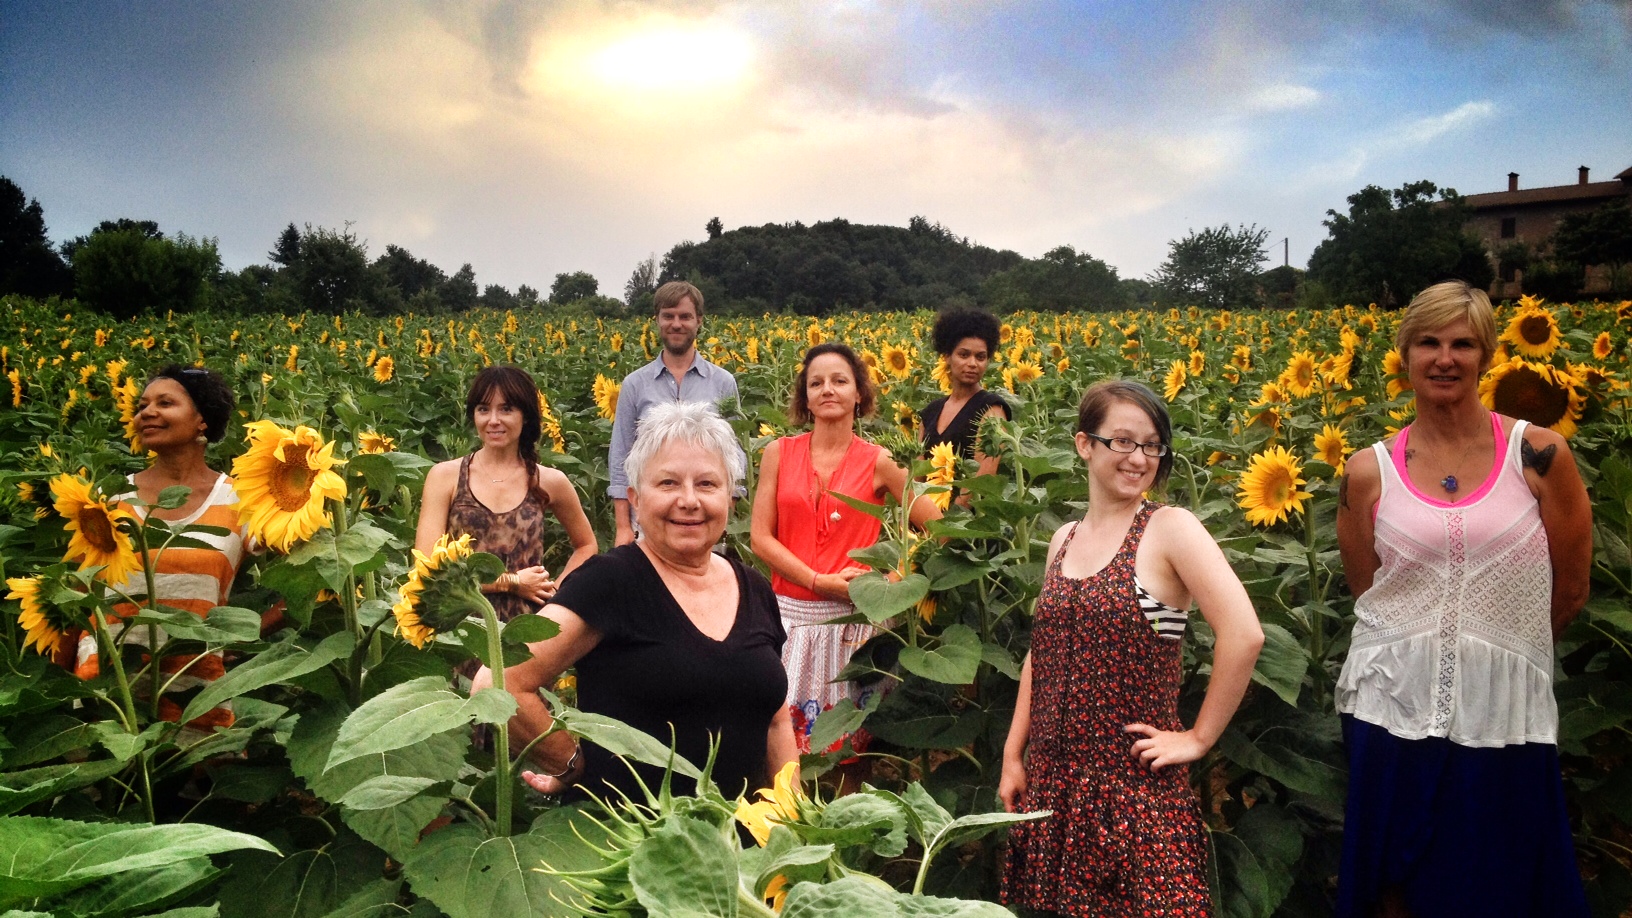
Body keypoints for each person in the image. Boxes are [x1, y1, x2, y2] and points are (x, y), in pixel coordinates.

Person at [1333, 281, 1593, 918]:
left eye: (1462, 344)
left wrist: (1499, 650)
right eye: (1428, 342)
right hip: (1389, 707)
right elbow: (1367, 589)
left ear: (1485, 356)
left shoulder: (1539, 455)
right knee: (1394, 888)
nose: (1444, 358)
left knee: (1496, 876)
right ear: (1406, 354)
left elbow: (1573, 588)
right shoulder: (1368, 471)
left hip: (1502, 710)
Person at [1000, 379, 1263, 917]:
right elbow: (1041, 656)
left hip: (1130, 794)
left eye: (1151, 445)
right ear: (1084, 444)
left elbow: (1244, 633)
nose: (1138, 458)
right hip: (1055, 788)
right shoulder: (1064, 537)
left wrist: (1198, 737)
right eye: (1121, 441)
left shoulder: (1168, 529)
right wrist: (1012, 754)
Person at [478, 401, 796, 802]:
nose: (689, 500)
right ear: (635, 500)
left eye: (707, 484)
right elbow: (498, 684)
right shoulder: (610, 581)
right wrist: (573, 763)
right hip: (633, 846)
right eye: (667, 484)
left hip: (742, 847)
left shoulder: (753, 586)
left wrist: (790, 816)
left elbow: (775, 722)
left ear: (730, 500)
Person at [750, 342, 941, 753]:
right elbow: (760, 537)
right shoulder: (778, 453)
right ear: (805, 398)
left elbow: (938, 531)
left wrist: (891, 583)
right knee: (776, 746)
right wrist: (819, 581)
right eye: (816, 383)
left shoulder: (880, 461)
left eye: (840, 380)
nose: (828, 390)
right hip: (789, 620)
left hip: (852, 625)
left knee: (849, 753)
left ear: (859, 393)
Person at [76, 365, 246, 730]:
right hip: (106, 684)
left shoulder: (240, 500)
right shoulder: (109, 497)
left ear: (202, 420)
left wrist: (249, 632)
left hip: (194, 683)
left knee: (190, 779)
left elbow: (309, 577)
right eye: (142, 406)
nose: (146, 413)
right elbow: (78, 589)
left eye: (165, 403)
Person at [416, 366, 596, 629]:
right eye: (483, 409)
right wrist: (512, 582)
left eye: (506, 409)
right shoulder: (445, 477)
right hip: (461, 630)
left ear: (526, 416)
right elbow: (427, 568)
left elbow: (587, 545)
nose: (493, 420)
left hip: (528, 628)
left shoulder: (547, 481)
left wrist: (556, 597)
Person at [607, 280, 743, 547]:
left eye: (685, 317)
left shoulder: (723, 382)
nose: (676, 324)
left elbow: (735, 456)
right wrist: (624, 527)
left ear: (699, 321)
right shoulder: (635, 384)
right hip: (649, 520)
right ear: (656, 320)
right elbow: (621, 456)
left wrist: (725, 515)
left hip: (703, 517)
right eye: (668, 316)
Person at [920, 305, 1010, 477]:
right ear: (947, 356)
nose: (972, 363)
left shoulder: (991, 409)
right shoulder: (930, 413)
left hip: (966, 504)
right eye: (963, 355)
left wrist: (954, 505)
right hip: (927, 501)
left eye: (980, 357)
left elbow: (981, 480)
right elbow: (917, 476)